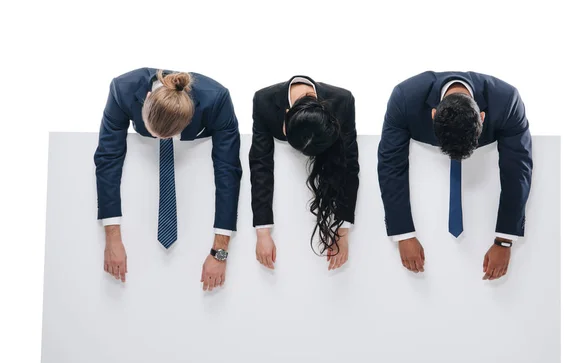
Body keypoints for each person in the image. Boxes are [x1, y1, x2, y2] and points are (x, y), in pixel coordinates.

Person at [94, 68, 242, 290]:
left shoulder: (217, 99)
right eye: (154, 134)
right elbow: (108, 159)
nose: (159, 139)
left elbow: (228, 172)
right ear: (145, 100)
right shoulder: (122, 89)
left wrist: (220, 253)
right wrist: (112, 237)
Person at [378, 71, 533, 280]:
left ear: (482, 117)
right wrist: (403, 234)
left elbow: (517, 169)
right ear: (433, 115)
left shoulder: (508, 102)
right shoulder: (404, 98)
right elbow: (391, 165)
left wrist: (504, 240)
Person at [250, 76, 359, 270]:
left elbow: (349, 167)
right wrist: (262, 232)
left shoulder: (343, 101)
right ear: (284, 122)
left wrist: (341, 231)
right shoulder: (263, 101)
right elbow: (260, 166)